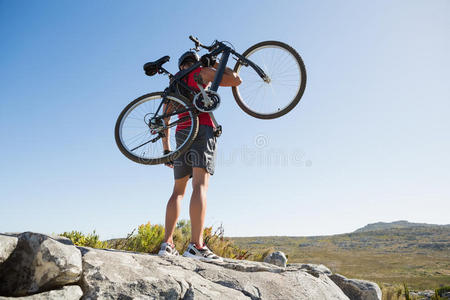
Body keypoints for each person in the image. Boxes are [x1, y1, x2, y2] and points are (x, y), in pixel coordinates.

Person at [158, 51, 241, 261]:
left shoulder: (174, 83)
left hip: (181, 135)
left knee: (177, 191)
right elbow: (235, 80)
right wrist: (216, 64)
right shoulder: (202, 72)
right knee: (200, 186)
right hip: (202, 128)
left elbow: (165, 119)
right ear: (195, 62)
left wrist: (167, 149)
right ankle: (196, 245)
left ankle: (167, 243)